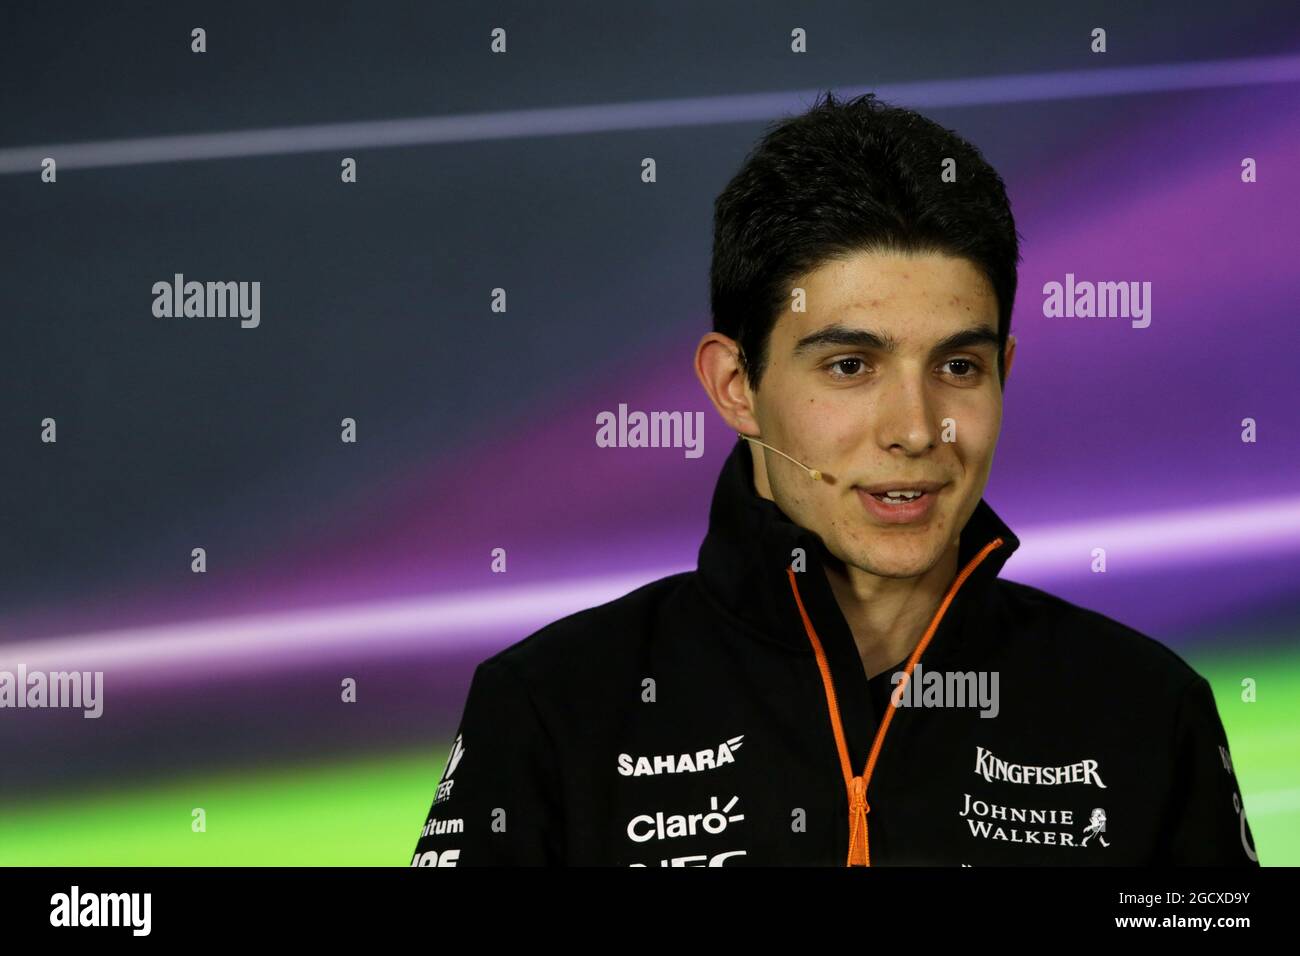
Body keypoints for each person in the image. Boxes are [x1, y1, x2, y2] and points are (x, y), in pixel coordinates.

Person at [408, 90, 1260, 867]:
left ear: (1005, 371)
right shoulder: (552, 710)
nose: (917, 429)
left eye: (958, 366)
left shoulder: (1145, 712)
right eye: (851, 364)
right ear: (736, 386)